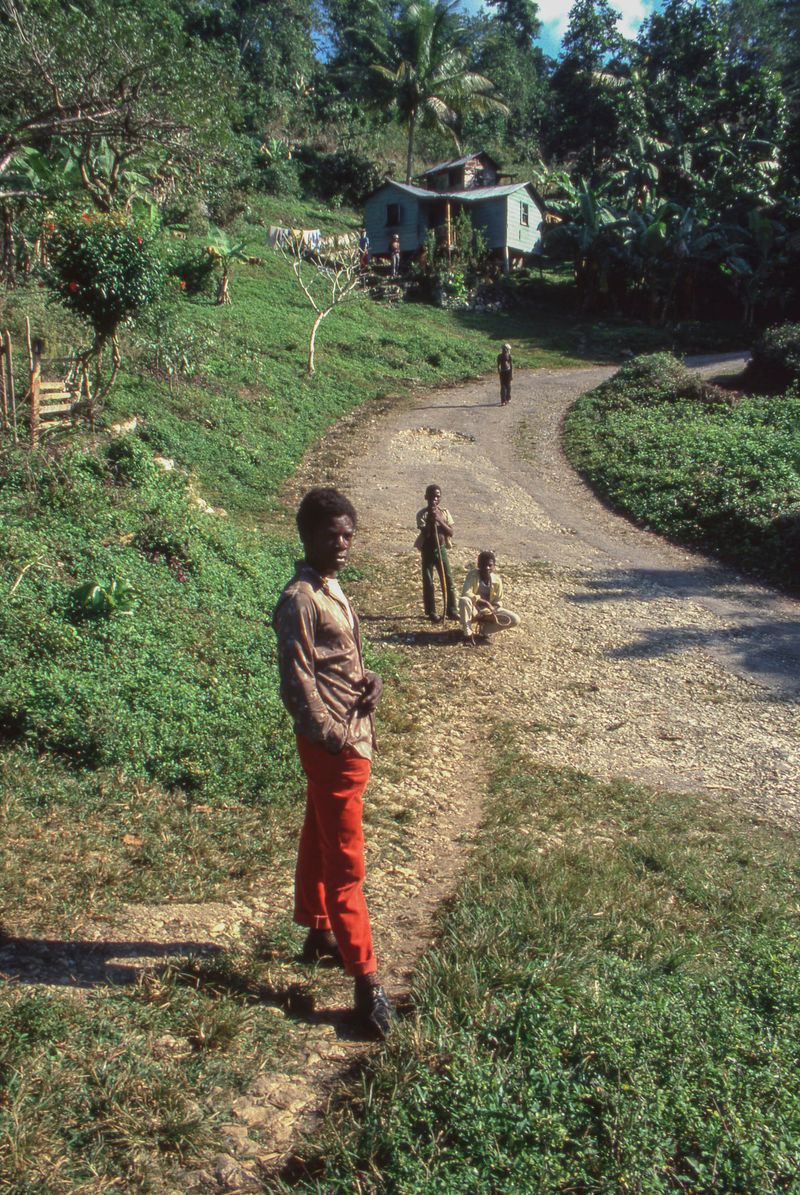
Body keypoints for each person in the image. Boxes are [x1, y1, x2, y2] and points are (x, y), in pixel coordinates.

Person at [272, 487, 392, 1039]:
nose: (342, 544)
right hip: (335, 748)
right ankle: (366, 988)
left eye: (348, 535)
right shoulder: (299, 599)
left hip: (348, 739)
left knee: (318, 829)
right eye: (331, 535)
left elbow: (340, 661)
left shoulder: (331, 588)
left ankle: (319, 932)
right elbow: (297, 683)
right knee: (346, 865)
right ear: (307, 537)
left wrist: (368, 681)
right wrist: (336, 736)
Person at [415, 484, 459, 622]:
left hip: (441, 549)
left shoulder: (444, 513)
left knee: (448, 579)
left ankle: (452, 610)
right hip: (427, 551)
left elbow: (450, 532)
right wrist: (430, 521)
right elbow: (426, 533)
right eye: (432, 497)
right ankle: (431, 611)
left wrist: (439, 520)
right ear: (426, 497)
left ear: (440, 498)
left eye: (437, 497)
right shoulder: (422, 514)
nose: (434, 499)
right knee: (428, 581)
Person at [459, 550, 520, 646]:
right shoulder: (472, 575)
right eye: (483, 565)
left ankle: (485, 630)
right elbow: (466, 593)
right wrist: (485, 603)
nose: (487, 568)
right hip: (474, 610)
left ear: (494, 566)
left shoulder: (497, 580)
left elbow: (498, 602)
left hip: (488, 612)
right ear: (478, 565)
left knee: (515, 619)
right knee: (464, 600)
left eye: (490, 565)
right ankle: (467, 634)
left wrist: (490, 611)